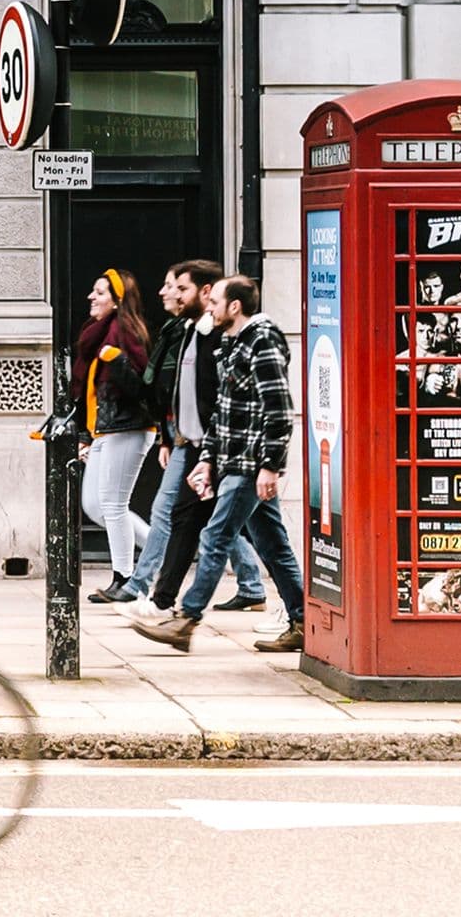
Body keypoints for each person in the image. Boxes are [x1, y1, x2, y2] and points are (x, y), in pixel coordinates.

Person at [133, 275, 310, 654]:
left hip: (250, 463)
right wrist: (209, 460)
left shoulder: (262, 341)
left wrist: (270, 466)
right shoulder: (232, 342)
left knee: (215, 536)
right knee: (272, 543)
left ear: (235, 307)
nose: (209, 307)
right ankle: (302, 619)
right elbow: (223, 411)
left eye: (215, 302)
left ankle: (186, 620)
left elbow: (279, 410)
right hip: (231, 460)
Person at [123, 259, 265, 615]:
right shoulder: (189, 331)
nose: (170, 293)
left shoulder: (228, 340)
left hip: (220, 450)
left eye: (181, 288)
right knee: (202, 524)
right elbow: (179, 392)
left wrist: (221, 453)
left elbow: (238, 401)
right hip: (196, 445)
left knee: (210, 528)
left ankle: (171, 604)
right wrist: (170, 438)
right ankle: (168, 601)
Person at [74, 269, 154, 604]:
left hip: (129, 427)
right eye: (93, 291)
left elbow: (141, 387)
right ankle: (158, 549)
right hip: (103, 429)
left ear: (118, 300)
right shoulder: (96, 335)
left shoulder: (126, 334)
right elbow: (86, 393)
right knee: (94, 505)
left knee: (113, 504)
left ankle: (125, 577)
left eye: (100, 292)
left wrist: (118, 360)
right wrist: (84, 436)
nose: (92, 297)